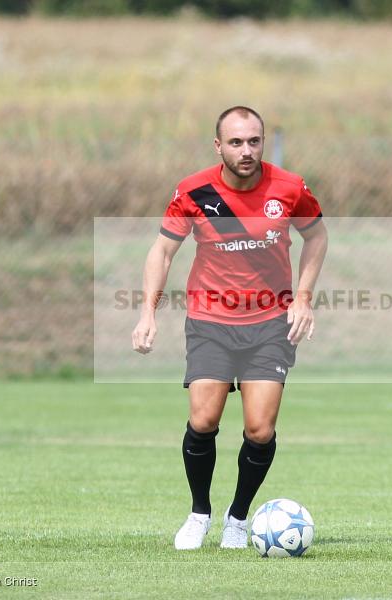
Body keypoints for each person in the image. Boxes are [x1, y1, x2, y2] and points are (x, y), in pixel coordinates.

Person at [131, 106, 328, 549]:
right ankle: (199, 513)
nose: (246, 150)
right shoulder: (194, 191)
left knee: (260, 430)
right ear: (218, 145)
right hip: (210, 321)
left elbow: (316, 236)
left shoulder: (289, 188)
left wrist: (303, 298)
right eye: (236, 142)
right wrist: (147, 313)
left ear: (263, 142)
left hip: (270, 322)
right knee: (203, 420)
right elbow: (162, 252)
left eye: (254, 141)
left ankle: (237, 518)